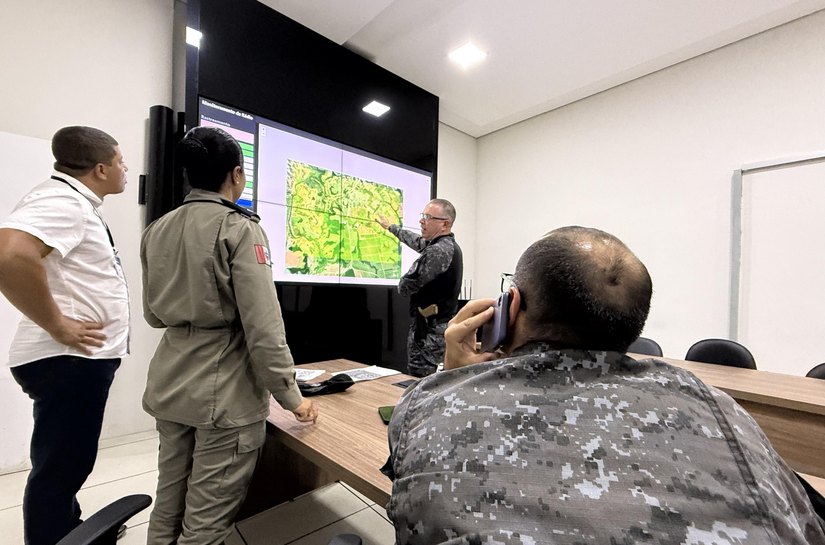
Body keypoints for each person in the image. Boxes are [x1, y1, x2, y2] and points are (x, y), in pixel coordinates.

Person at [384, 226, 825, 545]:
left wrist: (452, 378)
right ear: (634, 323)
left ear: (509, 306)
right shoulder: (719, 407)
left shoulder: (430, 403)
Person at [140, 126, 319, 545]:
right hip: (223, 393)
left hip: (170, 382)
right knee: (205, 520)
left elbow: (153, 315)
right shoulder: (239, 228)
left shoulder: (157, 229)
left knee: (169, 501)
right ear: (236, 175)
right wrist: (291, 397)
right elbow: (264, 327)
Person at [0, 126, 129, 545]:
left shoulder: (76, 202)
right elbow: (11, 254)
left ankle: (69, 529)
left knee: (64, 460)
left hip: (73, 361)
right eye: (121, 161)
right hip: (67, 360)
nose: (125, 169)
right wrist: (57, 325)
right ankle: (51, 538)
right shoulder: (62, 201)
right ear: (100, 168)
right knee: (61, 467)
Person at [376, 199, 463, 377]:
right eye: (423, 216)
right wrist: (391, 227)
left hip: (429, 334)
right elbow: (416, 241)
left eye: (428, 217)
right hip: (439, 328)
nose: (421, 221)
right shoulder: (446, 246)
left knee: (419, 380)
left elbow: (405, 286)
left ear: (445, 224)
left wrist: (403, 281)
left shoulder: (437, 251)